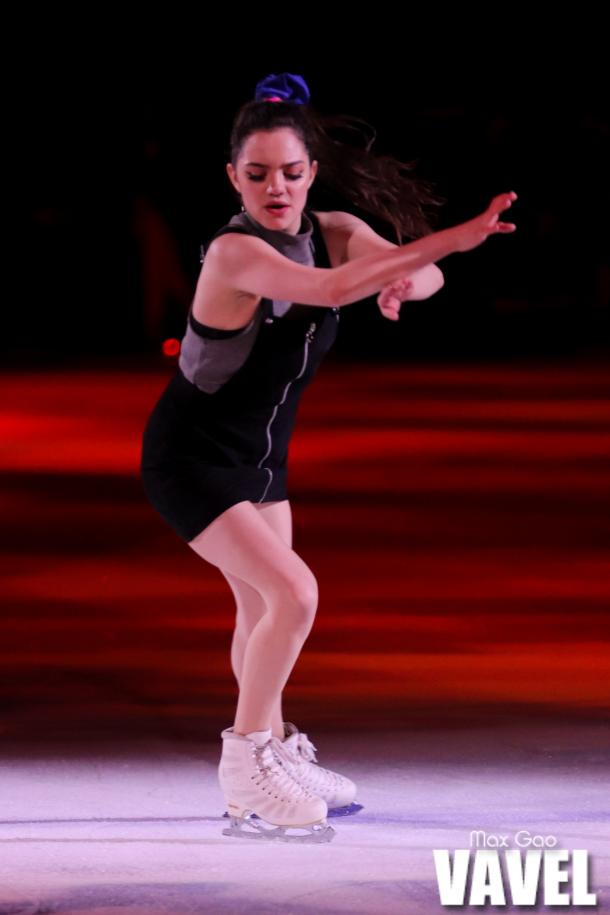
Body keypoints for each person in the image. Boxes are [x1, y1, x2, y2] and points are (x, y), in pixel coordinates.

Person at [139, 72, 517, 844]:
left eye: (289, 170)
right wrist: (452, 237)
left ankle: (273, 746)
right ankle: (245, 763)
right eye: (256, 174)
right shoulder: (235, 253)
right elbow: (337, 285)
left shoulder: (336, 224)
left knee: (259, 606)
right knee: (296, 595)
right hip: (192, 458)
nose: (274, 187)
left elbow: (410, 273)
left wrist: (412, 276)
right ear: (232, 178)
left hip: (262, 459)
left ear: (312, 170)